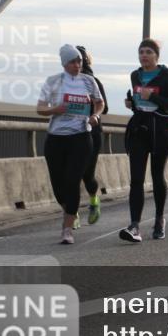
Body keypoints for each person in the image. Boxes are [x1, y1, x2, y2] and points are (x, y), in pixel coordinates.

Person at [37, 44, 104, 244]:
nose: (77, 65)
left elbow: (99, 103)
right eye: (73, 62)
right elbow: (40, 108)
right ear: (65, 63)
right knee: (59, 187)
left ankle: (67, 229)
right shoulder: (53, 81)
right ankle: (69, 211)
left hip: (81, 137)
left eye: (80, 61)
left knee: (72, 181)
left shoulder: (88, 81)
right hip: (56, 138)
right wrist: (56, 109)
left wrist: (95, 115)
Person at [121, 38, 168, 242]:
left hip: (159, 132)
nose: (144, 55)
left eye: (148, 52)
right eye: (141, 52)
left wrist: (153, 97)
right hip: (140, 129)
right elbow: (141, 101)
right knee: (136, 179)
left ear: (157, 56)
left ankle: (159, 219)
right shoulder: (135, 75)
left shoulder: (166, 75)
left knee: (157, 177)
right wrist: (132, 103)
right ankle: (135, 226)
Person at [76, 45, 108, 226]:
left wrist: (91, 113)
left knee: (87, 175)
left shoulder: (93, 81)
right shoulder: (65, 82)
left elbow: (105, 107)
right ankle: (71, 213)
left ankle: (94, 201)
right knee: (70, 175)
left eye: (77, 59)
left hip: (91, 133)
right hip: (70, 133)